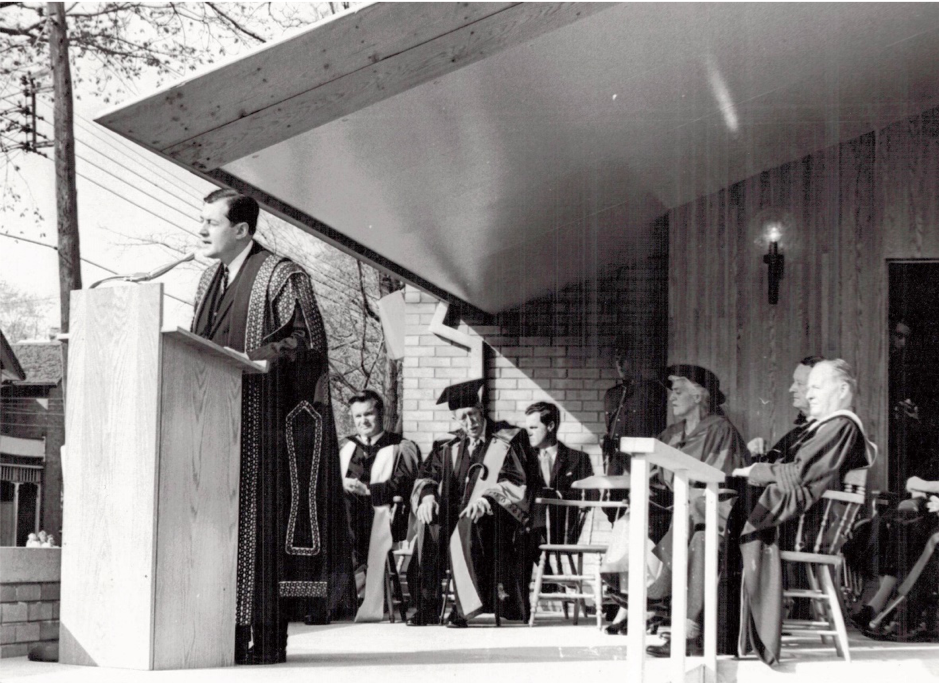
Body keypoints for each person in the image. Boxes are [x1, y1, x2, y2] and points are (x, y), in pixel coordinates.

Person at [191, 188, 351, 664]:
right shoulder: (206, 282)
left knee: (258, 533)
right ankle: (216, 633)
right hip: (212, 428)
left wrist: (253, 358)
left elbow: (308, 341)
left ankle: (263, 639)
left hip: (265, 431)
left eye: (210, 223)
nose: (201, 230)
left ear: (241, 230)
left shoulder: (282, 276)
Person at [735, 359, 876, 666]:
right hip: (800, 522)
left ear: (842, 390)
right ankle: (719, 627)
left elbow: (800, 473)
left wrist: (757, 470)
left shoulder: (842, 425)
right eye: (807, 387)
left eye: (816, 387)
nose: (809, 394)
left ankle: (716, 629)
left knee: (719, 516)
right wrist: (766, 471)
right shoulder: (824, 427)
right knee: (717, 513)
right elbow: (795, 472)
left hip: (806, 530)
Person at [407, 378, 530, 627]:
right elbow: (426, 475)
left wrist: (487, 499)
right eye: (462, 417)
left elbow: (519, 479)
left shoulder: (509, 439)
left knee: (467, 527)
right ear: (454, 419)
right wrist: (428, 496)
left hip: (494, 521)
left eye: (473, 414)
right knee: (429, 525)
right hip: (456, 517)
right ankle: (427, 607)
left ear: (481, 410)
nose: (469, 422)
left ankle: (464, 609)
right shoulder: (448, 446)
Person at [644, 365, 749, 655]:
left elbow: (723, 478)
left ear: (699, 396)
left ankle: (656, 593)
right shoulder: (671, 433)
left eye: (678, 392)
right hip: (674, 510)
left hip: (716, 514)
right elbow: (653, 474)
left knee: (696, 519)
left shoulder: (721, 430)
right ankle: (652, 594)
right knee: (631, 518)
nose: (672, 399)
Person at [340, 390, 420, 622]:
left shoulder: (402, 446)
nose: (363, 421)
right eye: (357, 416)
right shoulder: (345, 447)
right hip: (348, 515)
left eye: (368, 414)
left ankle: (351, 596)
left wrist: (368, 490)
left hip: (385, 516)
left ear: (381, 413)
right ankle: (339, 598)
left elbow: (407, 483)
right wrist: (341, 483)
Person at [523, 402, 596, 586]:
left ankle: (547, 580)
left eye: (533, 427)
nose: (528, 433)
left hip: (562, 528)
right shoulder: (523, 458)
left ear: (550, 426)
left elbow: (592, 496)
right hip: (529, 523)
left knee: (525, 535)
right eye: (527, 428)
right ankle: (547, 581)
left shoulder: (577, 459)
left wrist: (558, 496)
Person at [602, 334, 667, 521]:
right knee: (615, 515)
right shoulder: (612, 395)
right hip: (616, 468)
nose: (620, 364)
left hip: (640, 467)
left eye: (625, 358)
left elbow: (658, 433)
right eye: (617, 359)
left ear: (638, 360)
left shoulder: (652, 392)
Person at [747, 356, 825, 464]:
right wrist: (755, 454)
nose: (791, 389)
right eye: (794, 382)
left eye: (800, 383)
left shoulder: (827, 432)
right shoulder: (798, 432)